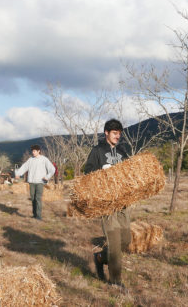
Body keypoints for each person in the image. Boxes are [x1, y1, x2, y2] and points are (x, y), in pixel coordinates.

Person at [84, 119, 130, 288]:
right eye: (114, 133)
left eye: (119, 133)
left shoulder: (123, 150)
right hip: (106, 204)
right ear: (106, 133)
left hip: (123, 202)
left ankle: (100, 258)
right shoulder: (98, 151)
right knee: (115, 244)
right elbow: (88, 171)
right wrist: (102, 173)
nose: (118, 136)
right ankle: (116, 282)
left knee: (126, 240)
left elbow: (130, 172)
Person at [15, 145, 55, 220]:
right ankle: (34, 214)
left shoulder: (44, 159)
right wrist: (18, 174)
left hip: (40, 182)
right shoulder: (30, 159)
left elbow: (52, 169)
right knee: (33, 199)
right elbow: (24, 167)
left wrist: (47, 177)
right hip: (32, 182)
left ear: (38, 151)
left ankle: (39, 216)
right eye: (32, 151)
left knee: (38, 198)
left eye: (34, 151)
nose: (33, 152)